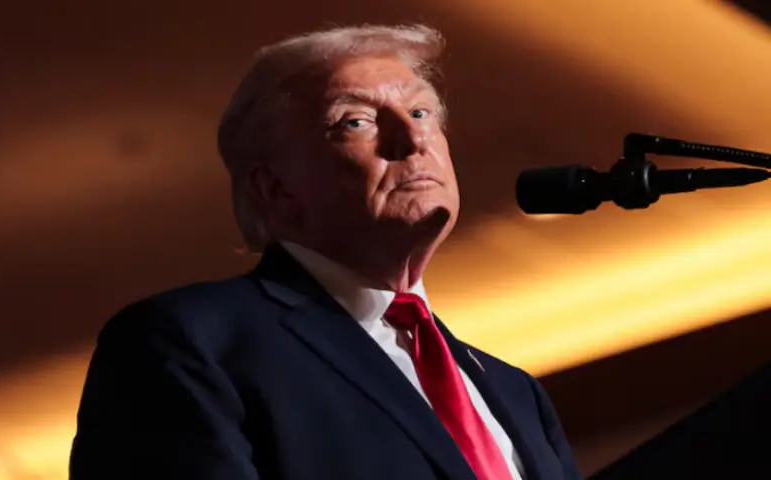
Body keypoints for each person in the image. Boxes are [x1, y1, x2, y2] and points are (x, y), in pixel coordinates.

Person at [70, 24, 581, 480]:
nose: (413, 137)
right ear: (276, 190)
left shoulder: (516, 392)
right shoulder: (190, 343)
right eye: (355, 121)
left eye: (421, 111)